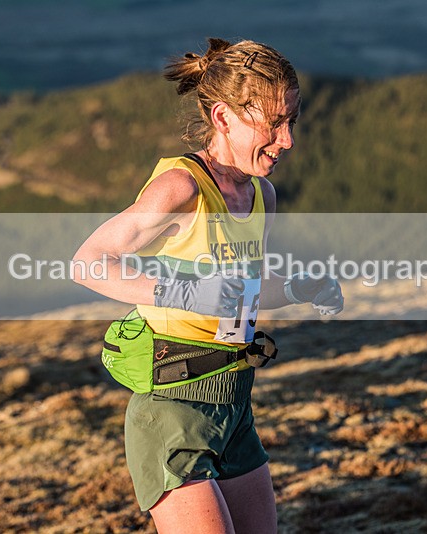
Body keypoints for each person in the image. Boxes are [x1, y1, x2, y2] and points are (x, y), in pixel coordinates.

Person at [73, 37, 343, 534]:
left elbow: (245, 290)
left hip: (235, 405)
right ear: (223, 118)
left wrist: (304, 287)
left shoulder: (262, 194)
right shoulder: (181, 188)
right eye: (273, 123)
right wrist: (185, 291)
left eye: (292, 122)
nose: (287, 141)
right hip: (172, 408)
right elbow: (88, 262)